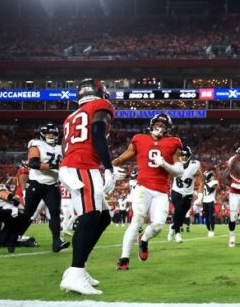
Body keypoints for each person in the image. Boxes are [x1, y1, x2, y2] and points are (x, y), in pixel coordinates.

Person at [58, 78, 125, 294]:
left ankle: (78, 268)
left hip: (75, 163)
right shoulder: (101, 105)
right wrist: (109, 168)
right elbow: (97, 133)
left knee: (103, 217)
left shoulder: (71, 116)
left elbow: (64, 146)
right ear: (101, 92)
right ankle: (75, 272)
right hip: (82, 165)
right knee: (89, 216)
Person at [112, 113, 183, 270]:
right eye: (158, 123)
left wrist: (164, 164)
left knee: (158, 225)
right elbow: (125, 156)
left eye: (164, 125)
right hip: (143, 187)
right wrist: (110, 165)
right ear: (151, 124)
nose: (160, 127)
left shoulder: (173, 142)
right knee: (137, 220)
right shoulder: (139, 139)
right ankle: (124, 259)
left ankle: (143, 240)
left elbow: (179, 172)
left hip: (162, 190)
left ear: (168, 128)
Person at [14, 123, 68, 253]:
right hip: (37, 183)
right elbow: (33, 163)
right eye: (49, 133)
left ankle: (57, 242)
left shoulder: (61, 148)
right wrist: (54, 166)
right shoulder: (36, 144)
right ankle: (14, 236)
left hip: (52, 185)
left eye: (54, 134)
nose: (51, 135)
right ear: (43, 134)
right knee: (28, 213)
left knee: (54, 214)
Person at [168, 146, 203, 243]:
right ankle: (177, 233)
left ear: (189, 156)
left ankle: (173, 227)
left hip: (188, 194)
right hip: (176, 192)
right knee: (178, 210)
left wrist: (199, 197)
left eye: (185, 155)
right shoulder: (175, 163)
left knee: (183, 215)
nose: (183, 157)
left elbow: (201, 182)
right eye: (181, 155)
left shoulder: (194, 166)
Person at [202, 169, 219, 237]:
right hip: (204, 201)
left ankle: (212, 230)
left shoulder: (214, 182)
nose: (212, 177)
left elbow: (210, 190)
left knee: (211, 216)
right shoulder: (203, 183)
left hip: (211, 201)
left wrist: (205, 183)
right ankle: (209, 230)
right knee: (206, 217)